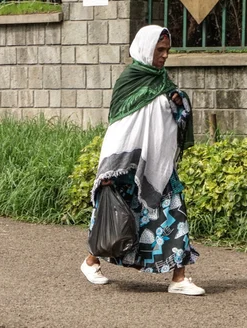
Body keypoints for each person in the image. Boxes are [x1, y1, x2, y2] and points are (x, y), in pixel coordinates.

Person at [80, 25, 205, 296]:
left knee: (174, 211)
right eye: (160, 50)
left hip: (158, 161)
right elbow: (120, 124)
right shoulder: (131, 79)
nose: (165, 56)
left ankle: (179, 277)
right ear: (146, 49)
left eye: (167, 50)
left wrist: (177, 101)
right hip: (126, 159)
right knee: (114, 214)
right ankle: (91, 261)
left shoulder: (162, 80)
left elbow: (173, 114)